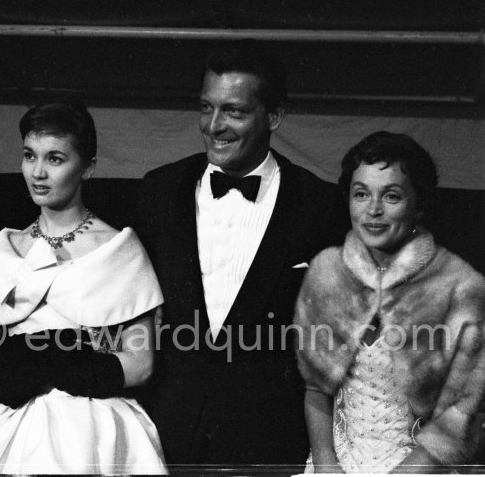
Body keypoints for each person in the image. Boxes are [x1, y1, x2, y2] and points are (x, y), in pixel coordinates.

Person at [135, 40, 347, 466]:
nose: (214, 125)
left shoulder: (320, 205)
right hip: (163, 433)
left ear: (275, 116)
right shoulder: (157, 189)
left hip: (269, 441)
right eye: (206, 107)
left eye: (233, 111)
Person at [0, 102, 167, 474]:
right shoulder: (6, 248)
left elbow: (141, 363)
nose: (38, 172)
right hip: (5, 425)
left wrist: (64, 368)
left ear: (87, 167)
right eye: (29, 156)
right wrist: (17, 369)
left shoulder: (118, 249)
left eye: (54, 159)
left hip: (90, 425)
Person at [294, 131, 485, 473]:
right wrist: (326, 464)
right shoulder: (326, 273)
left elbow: (461, 414)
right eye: (361, 194)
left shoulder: (461, 288)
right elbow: (315, 391)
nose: (373, 210)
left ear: (419, 205)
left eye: (392, 196)